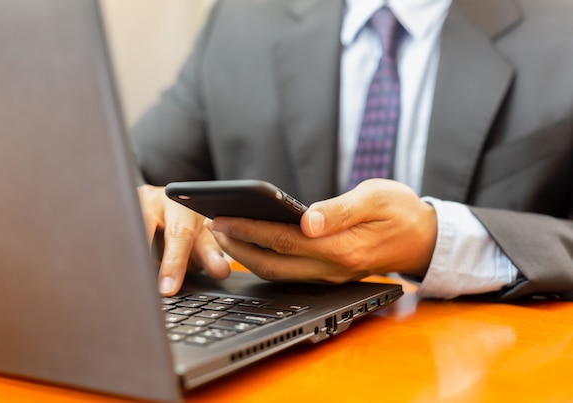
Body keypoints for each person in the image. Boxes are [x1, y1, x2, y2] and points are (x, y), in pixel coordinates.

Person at [132, 0, 573, 301]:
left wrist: (437, 239)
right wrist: (146, 205)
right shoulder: (243, 16)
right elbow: (133, 172)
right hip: (282, 355)